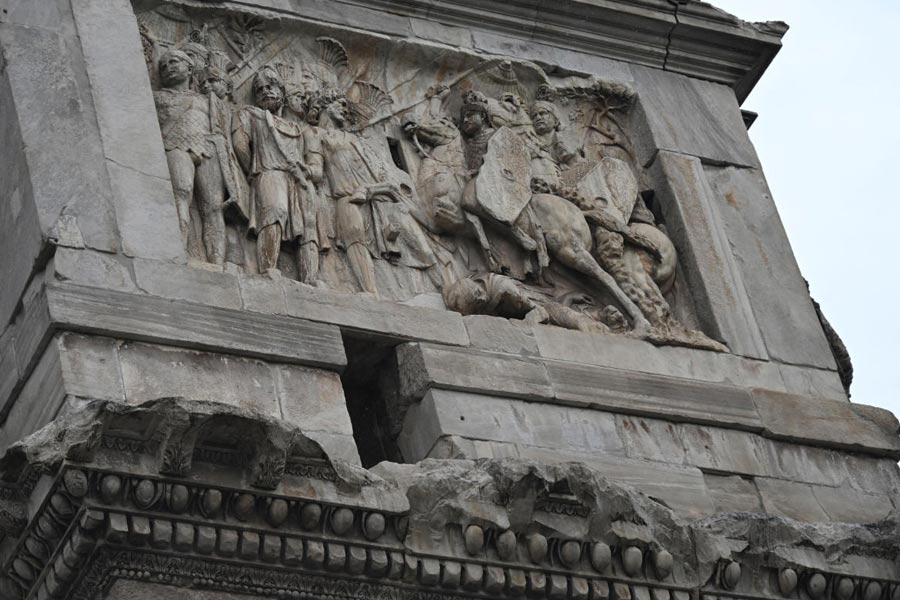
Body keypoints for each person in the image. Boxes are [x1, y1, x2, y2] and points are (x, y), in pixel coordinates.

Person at [153, 49, 245, 265]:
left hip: (208, 149)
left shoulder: (208, 100)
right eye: (163, 66)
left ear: (189, 68)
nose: (168, 68)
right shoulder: (158, 97)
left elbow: (224, 134)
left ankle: (216, 262)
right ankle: (179, 251)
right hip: (175, 144)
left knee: (213, 207)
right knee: (182, 192)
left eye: (174, 62)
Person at [232, 66, 323, 278]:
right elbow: (240, 145)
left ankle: (310, 279)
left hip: (299, 179)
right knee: (275, 211)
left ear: (281, 91)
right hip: (268, 171)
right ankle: (268, 270)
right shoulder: (250, 114)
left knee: (309, 226)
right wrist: (256, 172)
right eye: (260, 89)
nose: (265, 91)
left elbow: (316, 166)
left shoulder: (300, 129)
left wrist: (306, 170)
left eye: (270, 87)